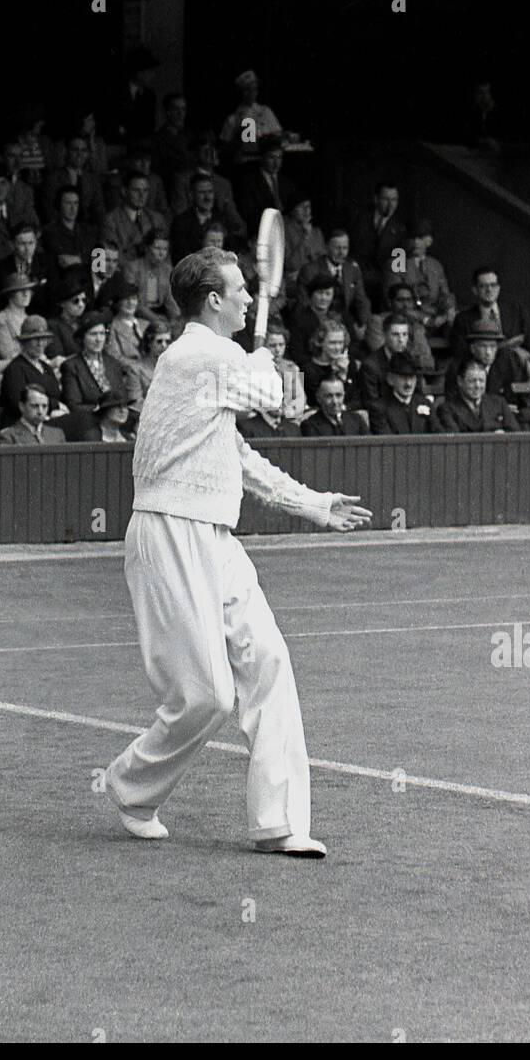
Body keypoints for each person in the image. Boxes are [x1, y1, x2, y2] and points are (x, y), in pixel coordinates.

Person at [104, 246, 371, 856]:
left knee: (271, 664)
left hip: (216, 536)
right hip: (169, 532)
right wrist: (263, 352)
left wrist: (312, 502)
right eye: (240, 290)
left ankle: (279, 825)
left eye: (253, 288)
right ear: (214, 301)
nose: (252, 297)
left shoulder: (214, 366)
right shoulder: (196, 355)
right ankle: (130, 786)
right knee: (207, 697)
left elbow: (240, 458)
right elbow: (272, 395)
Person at [450, 266, 530, 362]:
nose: (489, 290)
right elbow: (459, 354)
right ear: (475, 290)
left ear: (498, 288)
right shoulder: (463, 319)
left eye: (493, 285)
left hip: (514, 371)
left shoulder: (517, 312)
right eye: (483, 286)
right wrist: (503, 347)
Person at [296, 228, 371, 341]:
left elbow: (361, 300)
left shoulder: (352, 268)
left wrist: (363, 325)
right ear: (326, 248)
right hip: (317, 321)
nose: (341, 253)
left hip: (345, 320)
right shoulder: (310, 270)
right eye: (337, 248)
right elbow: (304, 302)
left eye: (345, 248)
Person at [60, 311, 137, 412]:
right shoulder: (71, 365)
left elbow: (122, 397)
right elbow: (74, 405)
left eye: (102, 334)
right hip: (90, 418)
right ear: (83, 338)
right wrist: (102, 410)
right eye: (93, 334)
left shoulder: (112, 363)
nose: (98, 339)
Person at [0, 316, 64, 425]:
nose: (40, 344)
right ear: (24, 342)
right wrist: (55, 406)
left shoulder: (46, 367)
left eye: (43, 339)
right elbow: (17, 404)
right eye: (35, 339)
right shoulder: (15, 369)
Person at [436, 358, 521, 433]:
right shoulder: (447, 409)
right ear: (460, 381)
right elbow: (455, 442)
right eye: (472, 381)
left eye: (481, 381)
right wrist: (492, 437)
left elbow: (516, 434)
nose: (477, 386)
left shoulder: (499, 403)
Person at [365, 354, 439, 435]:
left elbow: (439, 435)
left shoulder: (425, 403)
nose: (408, 383)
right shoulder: (379, 409)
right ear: (390, 379)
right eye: (403, 378)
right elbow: (386, 442)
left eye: (411, 377)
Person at [219, 70, 282, 166]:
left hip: (266, 162)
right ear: (241, 93)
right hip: (245, 162)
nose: (252, 93)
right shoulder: (232, 120)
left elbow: (278, 135)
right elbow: (225, 148)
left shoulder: (266, 112)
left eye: (254, 89)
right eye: (247, 90)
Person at [302, 320, 363, 410]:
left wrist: (344, 375)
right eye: (332, 343)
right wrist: (340, 375)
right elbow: (320, 400)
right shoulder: (309, 369)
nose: (337, 348)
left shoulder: (350, 363)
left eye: (340, 343)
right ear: (320, 342)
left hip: (349, 412)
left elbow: (357, 396)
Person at [126, 228, 180, 326]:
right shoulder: (133, 268)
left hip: (160, 313)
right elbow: (134, 302)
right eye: (157, 248)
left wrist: (176, 319)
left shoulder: (167, 270)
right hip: (138, 314)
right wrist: (156, 319)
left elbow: (171, 301)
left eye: (164, 249)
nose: (161, 253)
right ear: (147, 248)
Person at [123, 320, 171, 410]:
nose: (164, 346)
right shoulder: (135, 369)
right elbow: (135, 402)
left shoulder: (172, 368)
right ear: (149, 343)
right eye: (159, 341)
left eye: (167, 341)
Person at [0, 384, 68, 445]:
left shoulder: (58, 434)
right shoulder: (8, 436)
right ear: (21, 406)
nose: (40, 411)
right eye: (35, 406)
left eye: (44, 406)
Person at [0, 273, 36, 361]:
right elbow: (9, 354)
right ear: (10, 294)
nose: (25, 294)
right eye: (20, 290)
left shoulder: (30, 319)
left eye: (28, 289)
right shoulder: (0, 320)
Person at [301, 377, 368, 438]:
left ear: (344, 395)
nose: (335, 402)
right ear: (319, 398)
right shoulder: (310, 425)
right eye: (329, 396)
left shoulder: (357, 420)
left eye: (338, 395)